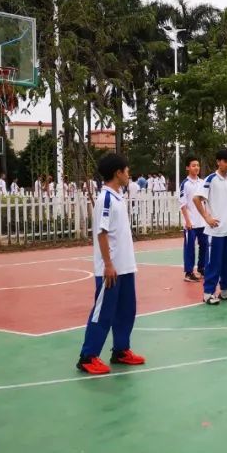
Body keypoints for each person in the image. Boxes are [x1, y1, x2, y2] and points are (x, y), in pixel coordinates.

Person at [76, 153, 146, 374]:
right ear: (118, 173)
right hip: (111, 269)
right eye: (127, 170)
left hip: (125, 267)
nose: (129, 174)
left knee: (127, 310)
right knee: (103, 313)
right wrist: (107, 264)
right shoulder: (105, 199)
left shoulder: (117, 196)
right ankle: (87, 356)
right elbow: (102, 233)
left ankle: (121, 350)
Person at [194, 148, 227, 304]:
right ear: (218, 162)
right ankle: (208, 293)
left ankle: (226, 291)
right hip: (215, 231)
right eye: (225, 161)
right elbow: (197, 199)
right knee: (214, 263)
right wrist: (207, 217)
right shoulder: (210, 180)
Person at [179, 157, 208, 282]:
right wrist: (187, 221)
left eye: (197, 165)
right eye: (193, 165)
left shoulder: (202, 182)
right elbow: (182, 203)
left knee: (205, 246)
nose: (196, 167)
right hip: (191, 222)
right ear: (187, 168)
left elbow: (205, 201)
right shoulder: (185, 184)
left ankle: (202, 268)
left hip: (202, 221)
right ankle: (189, 272)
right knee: (190, 247)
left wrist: (207, 218)